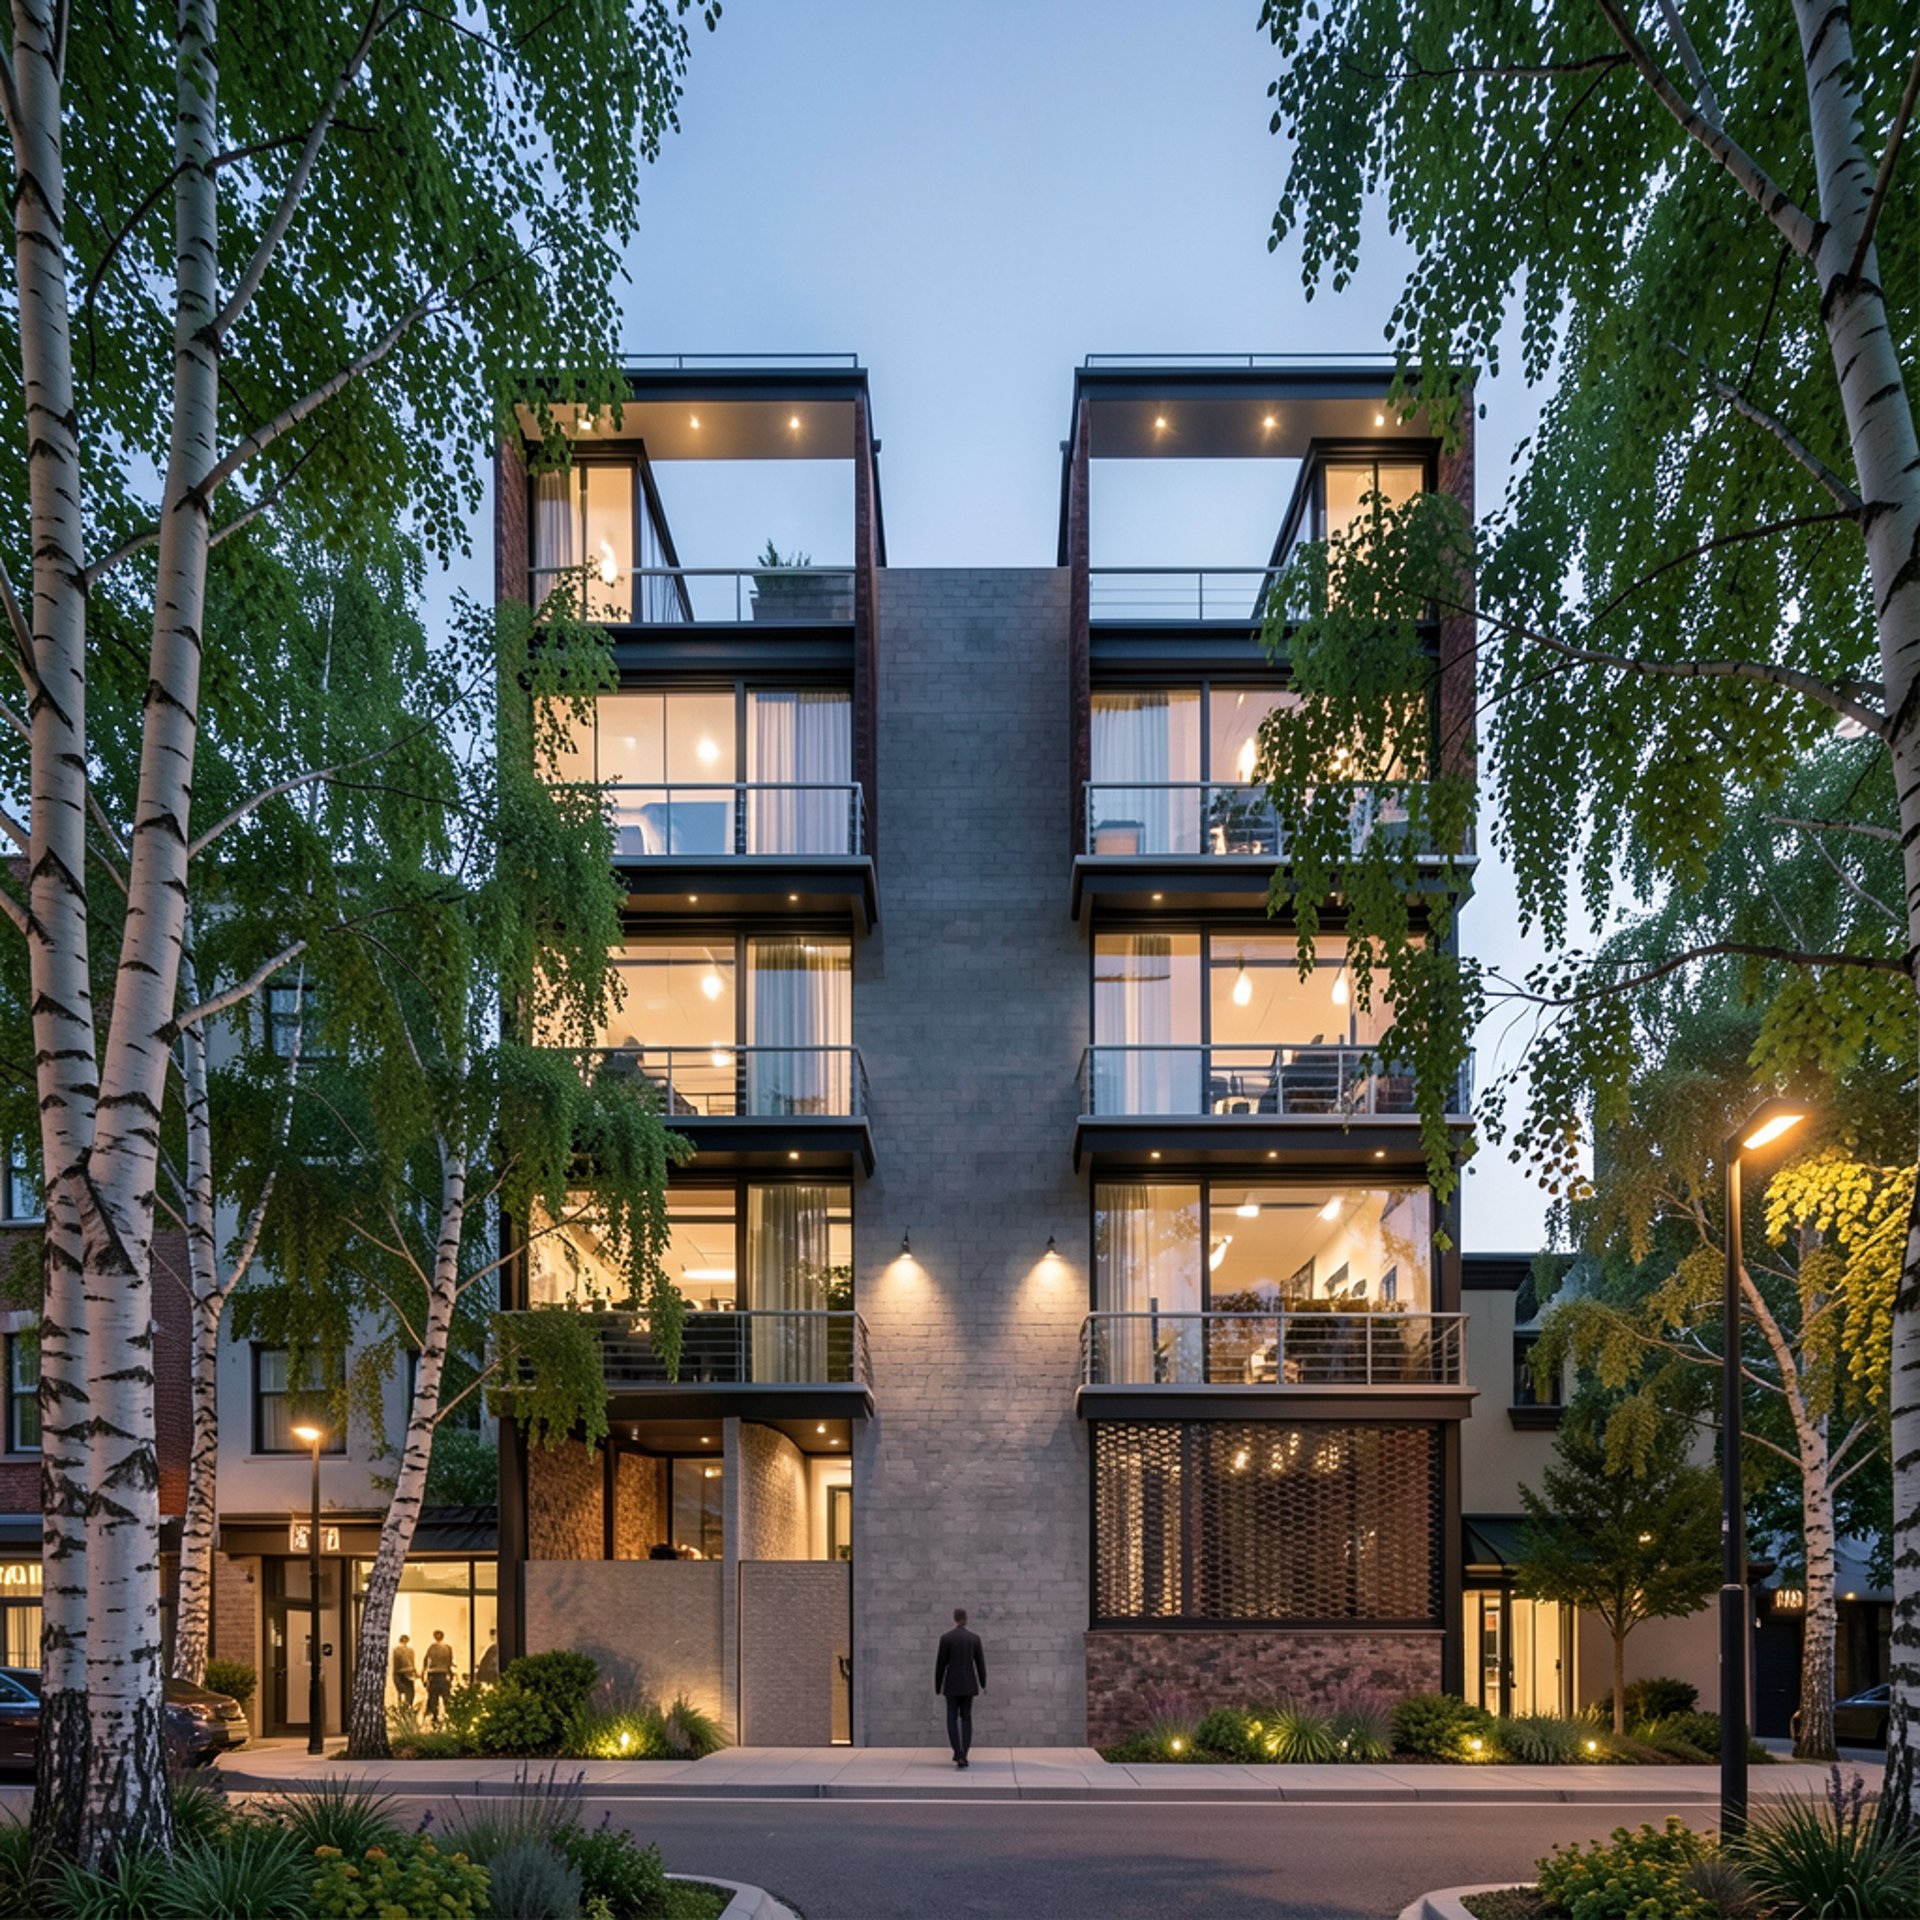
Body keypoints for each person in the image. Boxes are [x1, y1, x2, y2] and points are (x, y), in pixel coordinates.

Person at [933, 1607, 987, 1768]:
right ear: (966, 1619)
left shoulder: (946, 1638)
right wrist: (983, 1683)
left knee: (951, 1717)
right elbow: (980, 1663)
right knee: (966, 1717)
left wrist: (937, 1685)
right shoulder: (974, 1638)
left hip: (951, 1684)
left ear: (954, 1618)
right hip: (969, 1684)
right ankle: (965, 1752)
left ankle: (957, 1752)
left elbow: (940, 1664)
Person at [422, 1628, 455, 1724]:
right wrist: (451, 1675)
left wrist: (423, 1675)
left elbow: (425, 1661)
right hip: (444, 1675)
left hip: (433, 1676)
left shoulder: (431, 1647)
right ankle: (450, 1718)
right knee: (446, 1698)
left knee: (433, 1698)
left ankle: (435, 1718)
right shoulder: (448, 1648)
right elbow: (449, 1663)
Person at [391, 1635, 417, 1710]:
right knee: (409, 1695)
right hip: (408, 1675)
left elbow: (395, 1666)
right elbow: (412, 1664)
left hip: (399, 1674)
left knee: (400, 1693)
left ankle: (401, 1710)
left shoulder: (396, 1650)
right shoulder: (410, 1651)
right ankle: (407, 1710)